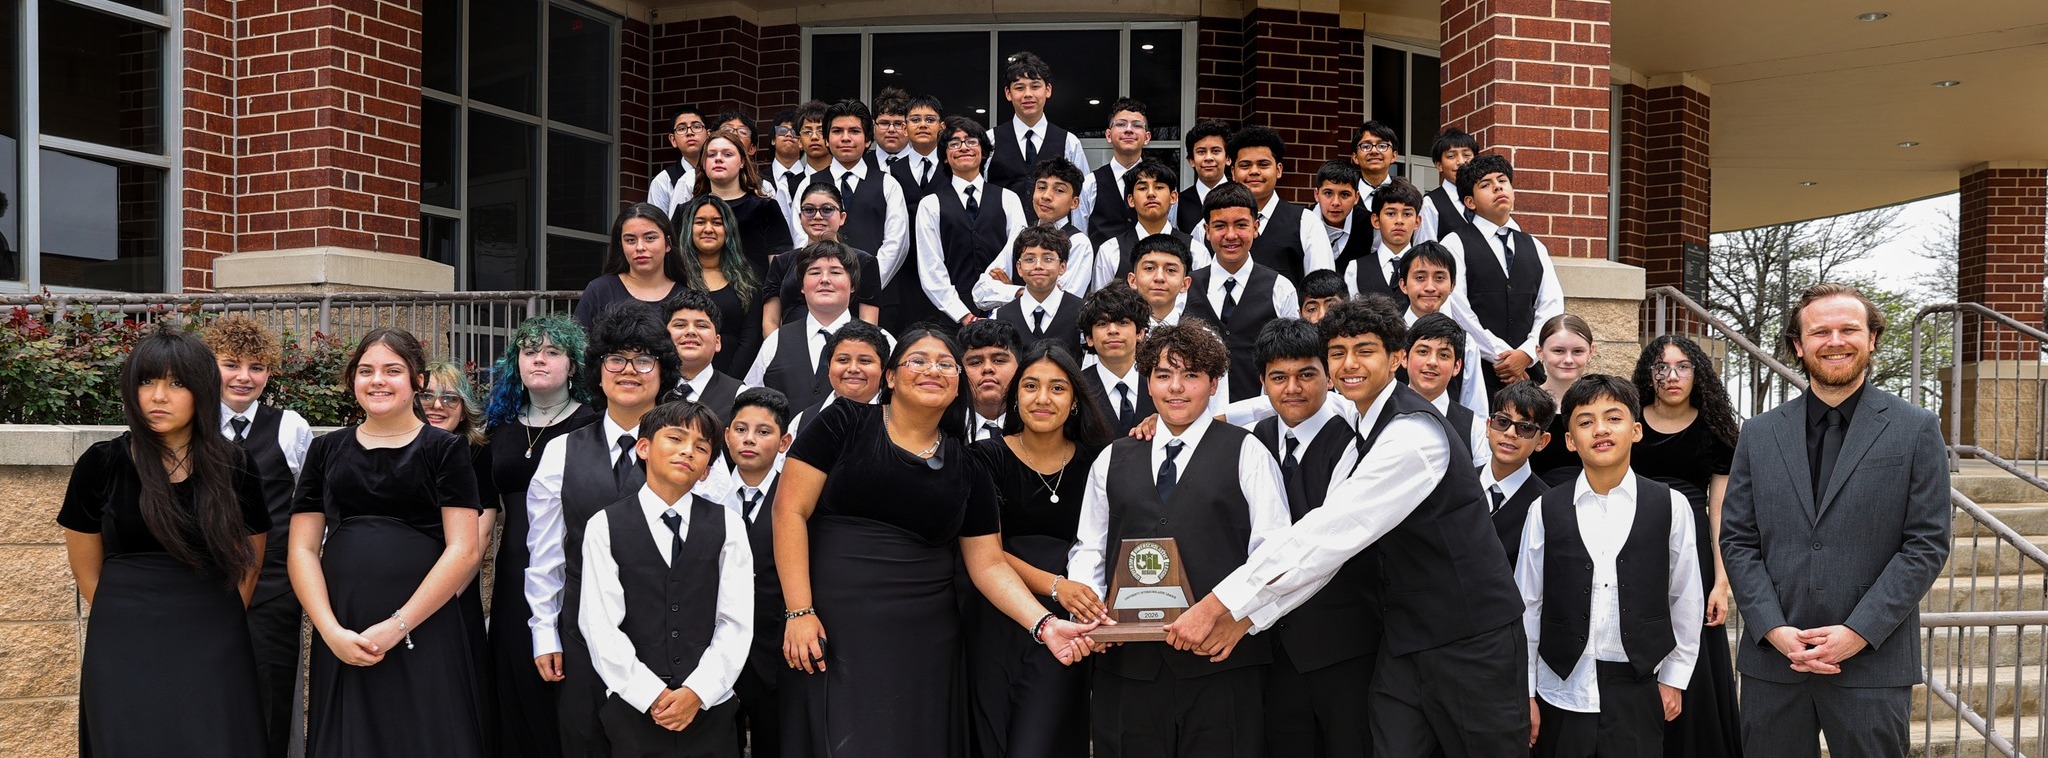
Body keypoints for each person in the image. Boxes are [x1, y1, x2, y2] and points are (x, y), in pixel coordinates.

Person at [1169, 296, 1529, 758]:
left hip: (1471, 641)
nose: (1349, 364)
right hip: (1403, 643)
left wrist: (1217, 604)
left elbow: (1325, 536)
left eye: (1365, 350)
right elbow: (1324, 558)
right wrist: (1248, 618)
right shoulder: (1362, 423)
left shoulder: (1413, 436)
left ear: (1397, 358)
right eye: (1337, 352)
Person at [777, 327, 1100, 757]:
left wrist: (1044, 624)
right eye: (919, 360)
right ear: (891, 376)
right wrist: (799, 610)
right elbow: (789, 511)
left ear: (958, 385)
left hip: (926, 641)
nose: (933, 370)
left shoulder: (968, 466)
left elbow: (988, 564)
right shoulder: (843, 422)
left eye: (946, 364)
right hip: (833, 627)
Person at [1721, 283, 1949, 756]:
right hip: (1775, 664)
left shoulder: (1916, 428)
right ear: (1798, 345)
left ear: (1873, 339)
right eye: (1820, 331)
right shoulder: (1759, 433)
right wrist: (1772, 628)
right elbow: (1738, 539)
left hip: (1872, 664)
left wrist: (1859, 632)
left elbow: (1926, 544)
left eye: (1849, 329)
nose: (1836, 341)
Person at [1065, 321, 1291, 757]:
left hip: (1220, 661)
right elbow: (1090, 546)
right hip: (1128, 665)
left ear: (1213, 383)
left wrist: (1237, 616)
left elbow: (1273, 550)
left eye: (1191, 375)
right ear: (1148, 382)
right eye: (1164, 375)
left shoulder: (1247, 451)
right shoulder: (1113, 457)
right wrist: (1093, 613)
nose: (1176, 388)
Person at [61, 326, 270, 758]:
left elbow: (250, 560)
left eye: (177, 383)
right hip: (123, 637)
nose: (158, 396)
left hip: (213, 633)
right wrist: (126, 617)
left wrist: (218, 618)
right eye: (146, 381)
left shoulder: (235, 465)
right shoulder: (101, 463)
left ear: (202, 390)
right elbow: (86, 569)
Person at [291, 328, 486, 757]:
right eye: (366, 371)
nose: (377, 380)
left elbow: (464, 549)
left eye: (392, 370)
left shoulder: (445, 450)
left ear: (418, 380)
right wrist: (329, 631)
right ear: (352, 380)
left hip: (423, 624)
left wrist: (398, 626)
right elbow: (302, 549)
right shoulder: (325, 450)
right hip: (344, 628)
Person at [526, 308, 684, 758]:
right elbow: (546, 556)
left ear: (663, 371)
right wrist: (544, 632)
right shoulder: (561, 451)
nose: (628, 370)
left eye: (644, 359)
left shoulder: (690, 450)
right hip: (582, 637)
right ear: (598, 370)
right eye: (616, 358)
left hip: (667, 636)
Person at [1518, 374, 1702, 757]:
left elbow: (1685, 598)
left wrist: (1674, 678)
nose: (1600, 429)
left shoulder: (1671, 506)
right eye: (1585, 422)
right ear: (1570, 440)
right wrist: (1526, 689)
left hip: (1639, 687)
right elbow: (1528, 603)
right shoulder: (1544, 509)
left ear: (1636, 430)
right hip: (1560, 689)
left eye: (1613, 418)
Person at [578, 401, 753, 758]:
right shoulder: (604, 525)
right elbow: (599, 625)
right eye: (675, 438)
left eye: (701, 448)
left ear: (706, 470)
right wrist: (649, 694)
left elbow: (736, 621)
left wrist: (698, 692)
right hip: (633, 708)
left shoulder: (728, 525)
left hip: (710, 707)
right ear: (643, 447)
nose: (688, 451)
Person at [966, 342, 1111, 758]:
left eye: (1057, 388)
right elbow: (985, 552)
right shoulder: (985, 457)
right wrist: (1057, 586)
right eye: (1030, 386)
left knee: (1044, 741)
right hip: (997, 619)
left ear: (1075, 401)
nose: (1042, 398)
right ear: (1015, 396)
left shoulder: (1100, 461)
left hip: (1067, 627)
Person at [1240, 318, 1375, 758]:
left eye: (1306, 374)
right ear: (1262, 382)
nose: (1293, 388)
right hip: (1270, 647)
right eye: (1278, 377)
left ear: (1328, 377)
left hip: (1344, 647)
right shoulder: (1251, 442)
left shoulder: (1356, 443)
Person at [479, 314, 603, 758]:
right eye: (530, 351)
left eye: (552, 352)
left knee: (566, 686)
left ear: (573, 365)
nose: (539, 360)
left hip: (574, 571)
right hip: (514, 571)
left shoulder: (593, 425)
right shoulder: (499, 428)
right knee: (515, 685)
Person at [201, 314, 313, 758]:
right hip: (201, 587)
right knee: (206, 698)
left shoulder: (291, 427)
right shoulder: (191, 424)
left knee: (271, 701)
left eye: (257, 367)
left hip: (273, 591)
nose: (244, 377)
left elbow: (312, 506)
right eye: (231, 364)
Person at [1631, 335, 1744, 757]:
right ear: (1649, 374)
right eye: (1661, 367)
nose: (1672, 376)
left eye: (1683, 366)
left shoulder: (1715, 431)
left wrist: (1721, 582)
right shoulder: (1629, 421)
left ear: (1698, 374)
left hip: (1694, 549)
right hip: (1633, 543)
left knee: (1693, 648)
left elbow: (1720, 511)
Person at [1440, 153, 1564, 401]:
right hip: (1476, 371)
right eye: (1485, 185)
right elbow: (1457, 309)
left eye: (1502, 181)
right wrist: (1503, 356)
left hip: (1529, 373)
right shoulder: (1454, 244)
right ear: (1470, 201)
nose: (1497, 187)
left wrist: (1526, 354)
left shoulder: (1535, 246)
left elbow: (1551, 305)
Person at [423, 360, 501, 753]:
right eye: (427, 396)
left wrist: (439, 601)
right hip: (397, 590)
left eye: (450, 398)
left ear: (464, 407)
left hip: (454, 594)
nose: (437, 405)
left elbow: (480, 534)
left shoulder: (477, 454)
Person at [722, 388, 793, 758]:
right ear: (726, 435)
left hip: (777, 654)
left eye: (763, 432)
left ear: (784, 443)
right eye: (741, 429)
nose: (749, 439)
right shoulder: (708, 495)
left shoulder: (795, 498)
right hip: (717, 654)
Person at [1184, 182, 1301, 403]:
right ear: (1207, 230)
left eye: (1241, 225)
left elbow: (1293, 359)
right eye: (1220, 226)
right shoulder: (1185, 287)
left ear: (1255, 228)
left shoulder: (1280, 288)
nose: (1231, 235)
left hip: (1260, 413)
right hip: (1197, 412)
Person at [808, 100, 911, 334]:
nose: (845, 138)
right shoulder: (809, 184)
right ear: (826, 140)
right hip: (822, 299)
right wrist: (830, 282)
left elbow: (897, 244)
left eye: (854, 131)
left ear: (867, 140)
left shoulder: (888, 184)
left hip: (879, 299)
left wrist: (864, 284)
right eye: (837, 131)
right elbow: (801, 240)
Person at [747, 241, 888, 410]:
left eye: (835, 272)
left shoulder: (883, 341)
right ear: (802, 286)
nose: (825, 280)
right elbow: (749, 402)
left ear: (853, 285)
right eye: (815, 272)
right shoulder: (776, 341)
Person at [915, 116, 1028, 325]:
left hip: (1003, 310)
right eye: (954, 143)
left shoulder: (1009, 199)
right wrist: (964, 315)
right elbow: (931, 268)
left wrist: (1001, 291)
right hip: (950, 318)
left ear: (983, 152)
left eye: (971, 141)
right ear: (945, 157)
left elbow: (1016, 250)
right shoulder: (930, 205)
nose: (964, 148)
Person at [974, 157, 1099, 306]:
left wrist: (1009, 290)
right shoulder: (1020, 237)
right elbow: (980, 292)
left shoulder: (1078, 243)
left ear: (1074, 202)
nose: (1046, 196)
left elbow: (1061, 302)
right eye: (1041, 187)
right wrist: (1018, 292)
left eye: (1059, 190)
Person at [985, 51, 1091, 225]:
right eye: (1019, 88)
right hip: (1001, 236)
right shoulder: (990, 140)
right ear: (1008, 93)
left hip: (1055, 238)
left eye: (1035, 86)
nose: (1028, 94)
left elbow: (1081, 200)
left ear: (1048, 90)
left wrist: (1076, 237)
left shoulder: (1069, 142)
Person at [762, 183, 882, 331]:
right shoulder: (782, 262)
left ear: (842, 217)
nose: (817, 216)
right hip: (790, 342)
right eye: (809, 210)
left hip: (848, 342)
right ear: (800, 217)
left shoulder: (864, 261)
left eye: (827, 210)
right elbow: (770, 321)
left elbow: (869, 323)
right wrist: (781, 344)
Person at [1226, 125, 1334, 287]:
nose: (1254, 171)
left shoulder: (1306, 222)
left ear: (1278, 170)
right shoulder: (1213, 225)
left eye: (1263, 164)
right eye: (1245, 165)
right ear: (1233, 173)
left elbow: (1324, 290)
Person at [692, 129, 794, 294]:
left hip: (754, 301)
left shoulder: (766, 208)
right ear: (703, 163)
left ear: (742, 162)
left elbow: (780, 271)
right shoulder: (687, 211)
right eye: (711, 155)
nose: (718, 158)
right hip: (697, 301)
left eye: (727, 154)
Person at [675, 195, 766, 374]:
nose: (708, 229)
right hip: (678, 375)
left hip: (733, 375)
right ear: (689, 228)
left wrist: (730, 384)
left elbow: (751, 337)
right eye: (700, 222)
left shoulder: (749, 274)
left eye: (717, 223)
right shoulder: (674, 271)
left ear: (728, 229)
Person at [1397, 242, 1486, 413]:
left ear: (1452, 285)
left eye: (1439, 278)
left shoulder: (1466, 343)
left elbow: (1475, 409)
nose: (1430, 287)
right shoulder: (1386, 336)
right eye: (1420, 278)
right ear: (1403, 285)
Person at [576, 204, 690, 330]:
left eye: (650, 238)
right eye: (630, 240)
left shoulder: (687, 297)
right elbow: (576, 341)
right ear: (621, 246)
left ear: (668, 243)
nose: (640, 247)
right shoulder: (599, 290)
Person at [1095, 159, 1207, 286]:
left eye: (1159, 187)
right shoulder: (1111, 251)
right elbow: (1100, 298)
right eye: (1143, 188)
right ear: (1131, 200)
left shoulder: (1196, 251)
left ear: (1173, 197)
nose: (1151, 194)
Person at [1481, 380, 1554, 566]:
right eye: (1503, 422)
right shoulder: (1457, 484)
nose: (1510, 433)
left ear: (1542, 441)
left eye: (1525, 427)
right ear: (1488, 426)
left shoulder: (1547, 506)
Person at [784, 319, 893, 439]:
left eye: (865, 361)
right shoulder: (804, 421)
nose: (853, 369)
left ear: (884, 369)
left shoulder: (898, 420)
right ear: (829, 367)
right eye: (843, 360)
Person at [989, 224, 1084, 360]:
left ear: (1062, 266)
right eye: (1029, 259)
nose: (1038, 266)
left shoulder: (1082, 312)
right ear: (1019, 268)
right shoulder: (1000, 316)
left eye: (1048, 259)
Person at [1405, 313, 1488, 464]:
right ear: (1404, 358)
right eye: (1423, 352)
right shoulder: (1380, 412)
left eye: (1443, 355)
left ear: (1457, 366)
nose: (1432, 362)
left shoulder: (1473, 429)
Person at [1527, 314, 1598, 483]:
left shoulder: (1601, 405)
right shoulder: (1523, 404)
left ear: (1591, 352)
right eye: (1558, 351)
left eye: (1578, 351)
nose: (1568, 360)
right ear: (1539, 352)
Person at [1078, 282, 1155, 437]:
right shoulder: (1076, 388)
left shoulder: (1160, 382)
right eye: (1102, 324)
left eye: (1123, 322)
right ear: (1089, 338)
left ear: (1140, 333)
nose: (1112, 330)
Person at [662, 288, 749, 422]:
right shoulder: (649, 388)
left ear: (717, 342)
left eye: (701, 326)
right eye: (680, 325)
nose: (691, 331)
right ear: (664, 338)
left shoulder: (739, 396)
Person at [1341, 177, 1425, 312]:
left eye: (1407, 214)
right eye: (1391, 213)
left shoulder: (1428, 266)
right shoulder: (1356, 268)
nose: (1399, 221)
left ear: (1417, 222)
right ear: (1376, 221)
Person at [1081, 98, 1149, 246]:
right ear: (1108, 135)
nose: (1129, 130)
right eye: (1121, 124)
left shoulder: (1161, 184)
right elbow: (1081, 238)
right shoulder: (1090, 184)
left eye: (1137, 125)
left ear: (1147, 137)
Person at [956, 318, 1024, 443]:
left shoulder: (1038, 427)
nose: (987, 368)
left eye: (999, 360)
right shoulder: (942, 430)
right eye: (976, 362)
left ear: (1020, 368)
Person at [1314, 160, 1372, 281]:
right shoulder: (1300, 222)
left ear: (1356, 197)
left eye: (1344, 195)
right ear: (1316, 194)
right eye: (1328, 193)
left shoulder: (1369, 224)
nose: (1336, 202)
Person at [1419, 128, 1479, 243]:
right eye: (1451, 156)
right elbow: (1424, 249)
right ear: (1439, 165)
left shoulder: (1484, 197)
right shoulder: (1430, 203)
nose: (1461, 162)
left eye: (1466, 155)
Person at [1174, 119, 1233, 235]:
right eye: (1201, 152)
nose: (1208, 158)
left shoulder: (1244, 198)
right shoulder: (1178, 203)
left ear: (1228, 158)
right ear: (1191, 160)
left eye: (1215, 151)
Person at [649, 107, 710, 219]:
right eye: (681, 129)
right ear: (673, 140)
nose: (690, 132)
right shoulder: (663, 181)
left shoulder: (720, 172)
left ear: (708, 135)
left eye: (697, 127)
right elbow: (656, 224)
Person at [1126, 233, 1194, 328]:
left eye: (1170, 270)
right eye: (1149, 268)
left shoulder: (1203, 336)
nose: (1159, 278)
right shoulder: (1115, 333)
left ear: (1185, 284)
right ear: (1133, 280)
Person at [1350, 120, 1400, 208]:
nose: (1374, 151)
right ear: (1355, 157)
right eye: (1366, 146)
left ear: (1394, 156)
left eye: (1382, 146)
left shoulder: (1407, 195)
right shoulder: (1346, 195)